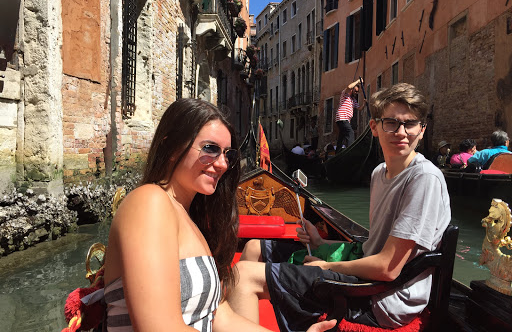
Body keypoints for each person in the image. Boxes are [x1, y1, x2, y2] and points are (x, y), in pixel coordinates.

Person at [227, 83, 451, 331]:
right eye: (391, 123)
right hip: (369, 276)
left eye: (410, 124)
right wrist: (323, 244)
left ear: (422, 130)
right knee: (252, 247)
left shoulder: (424, 179)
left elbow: (388, 268)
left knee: (243, 277)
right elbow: (372, 248)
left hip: (385, 299)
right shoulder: (379, 173)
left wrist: (326, 266)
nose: (402, 132)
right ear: (374, 127)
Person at [102, 99, 335, 332]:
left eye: (228, 154)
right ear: (172, 148)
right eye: (210, 149)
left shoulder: (192, 220)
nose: (223, 164)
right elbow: (159, 328)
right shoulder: (149, 202)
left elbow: (219, 316)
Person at [335, 79, 366, 152]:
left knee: (342, 136)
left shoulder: (353, 100)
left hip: (345, 120)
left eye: (357, 92)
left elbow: (360, 108)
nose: (356, 93)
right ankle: (350, 150)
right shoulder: (345, 94)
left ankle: (338, 151)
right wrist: (358, 81)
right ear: (351, 90)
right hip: (342, 117)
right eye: (355, 91)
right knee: (350, 132)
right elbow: (349, 86)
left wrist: (364, 103)